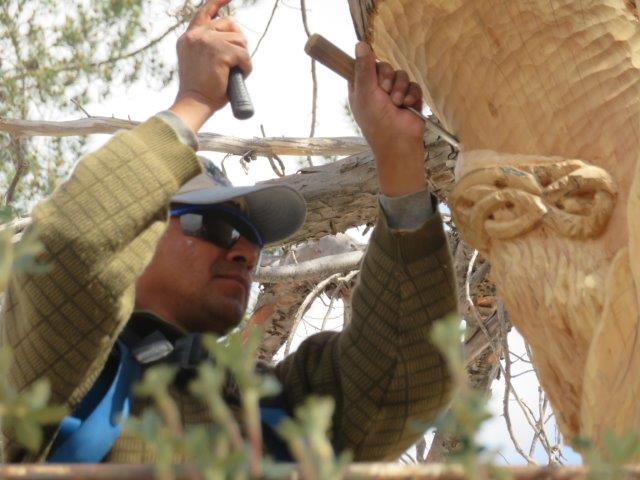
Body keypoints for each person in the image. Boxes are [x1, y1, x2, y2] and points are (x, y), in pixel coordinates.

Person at [0, 0, 456, 464]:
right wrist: (195, 101)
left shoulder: (272, 406)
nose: (245, 252)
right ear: (138, 234)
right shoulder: (56, 372)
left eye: (252, 237)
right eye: (214, 227)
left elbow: (401, 381)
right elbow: (70, 247)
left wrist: (398, 156)